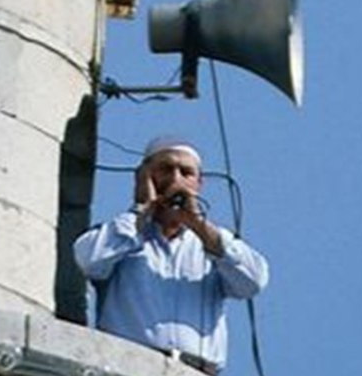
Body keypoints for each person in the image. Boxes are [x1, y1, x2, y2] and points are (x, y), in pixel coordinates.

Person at [73, 137, 269, 375]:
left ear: (199, 183)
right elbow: (88, 260)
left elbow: (253, 282)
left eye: (186, 172)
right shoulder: (121, 235)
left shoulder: (212, 243)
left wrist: (198, 224)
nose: (175, 179)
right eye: (166, 169)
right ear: (143, 177)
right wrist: (140, 209)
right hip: (128, 367)